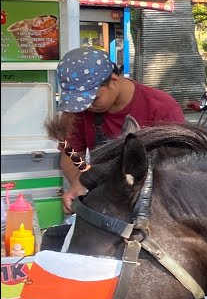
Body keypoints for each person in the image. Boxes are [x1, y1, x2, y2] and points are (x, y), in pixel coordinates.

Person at [55, 47, 185, 212]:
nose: (86, 107)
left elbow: (178, 168)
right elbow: (71, 154)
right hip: (104, 196)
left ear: (114, 80)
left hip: (153, 202)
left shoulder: (162, 108)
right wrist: (79, 182)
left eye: (93, 99)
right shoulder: (78, 111)